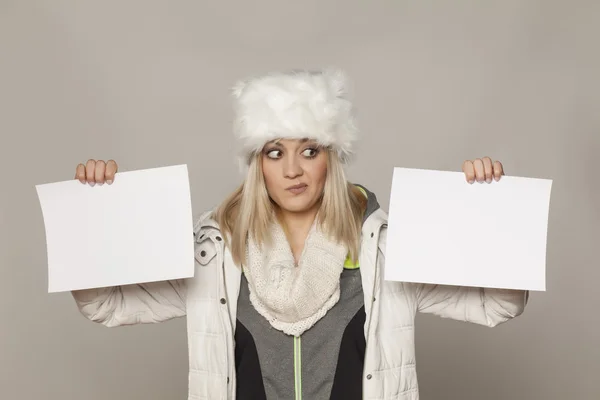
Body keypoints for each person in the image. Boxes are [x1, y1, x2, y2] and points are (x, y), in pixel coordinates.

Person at [70, 68, 528, 400]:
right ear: (257, 164)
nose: (293, 170)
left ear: (331, 157)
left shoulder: (384, 250)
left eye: (309, 150)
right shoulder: (216, 255)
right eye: (274, 152)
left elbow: (499, 302)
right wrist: (100, 205)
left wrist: (486, 203)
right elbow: (104, 303)